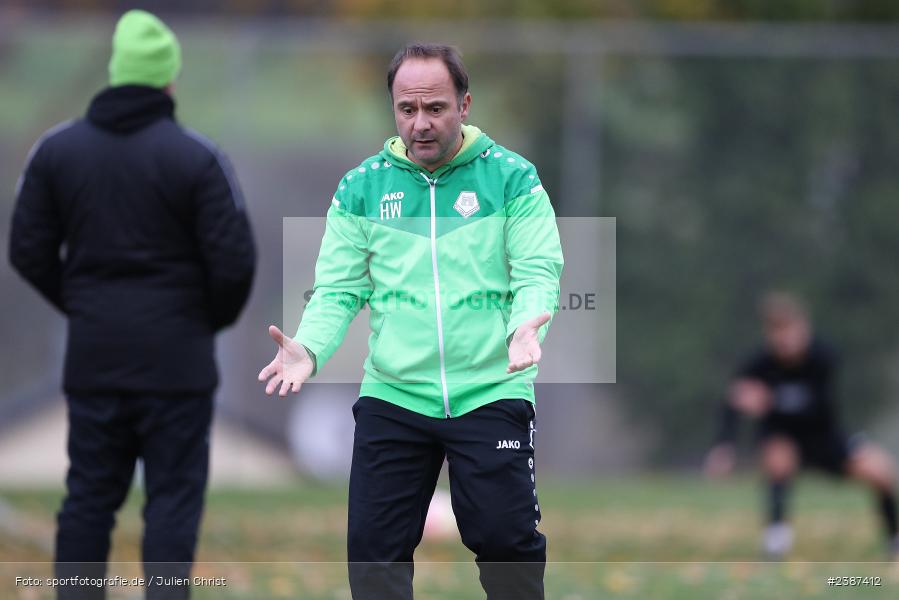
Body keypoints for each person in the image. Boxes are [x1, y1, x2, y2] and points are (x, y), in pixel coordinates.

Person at [259, 43, 563, 599]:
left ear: (464, 105)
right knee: (373, 554)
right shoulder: (362, 188)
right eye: (407, 109)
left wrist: (526, 326)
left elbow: (537, 270)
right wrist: (310, 348)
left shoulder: (512, 178)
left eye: (435, 108)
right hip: (394, 394)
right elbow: (338, 290)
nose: (420, 123)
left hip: (491, 386)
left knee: (506, 544)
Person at [8, 10, 256, 599]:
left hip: (96, 359)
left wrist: (82, 303)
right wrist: (200, 322)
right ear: (169, 79)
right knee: (172, 502)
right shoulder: (197, 157)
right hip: (178, 365)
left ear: (117, 73)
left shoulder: (57, 152)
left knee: (89, 498)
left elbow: (26, 248)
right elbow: (235, 263)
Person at [704, 292, 899, 559]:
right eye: (777, 332)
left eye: (790, 330)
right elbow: (733, 402)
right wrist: (724, 446)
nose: (785, 340)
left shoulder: (822, 356)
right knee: (778, 455)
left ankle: (893, 540)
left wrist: (770, 400)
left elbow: (817, 406)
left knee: (881, 471)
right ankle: (775, 543)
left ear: (803, 328)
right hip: (783, 437)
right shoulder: (758, 363)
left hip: (824, 437)